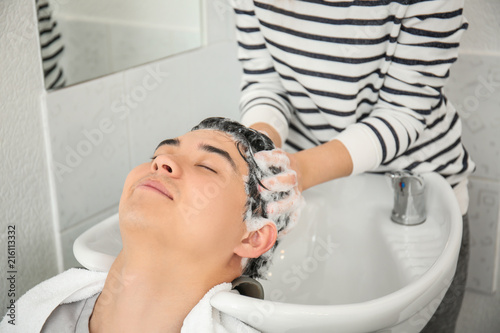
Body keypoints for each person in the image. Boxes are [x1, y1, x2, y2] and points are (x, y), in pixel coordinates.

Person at [230, 0, 474, 331]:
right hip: (308, 191)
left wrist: (300, 170)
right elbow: (265, 83)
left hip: (413, 191)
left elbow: (403, 110)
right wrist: (264, 152)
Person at [0, 117, 303, 333]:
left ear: (252, 238)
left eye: (206, 166)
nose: (161, 163)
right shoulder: (37, 318)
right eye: (158, 154)